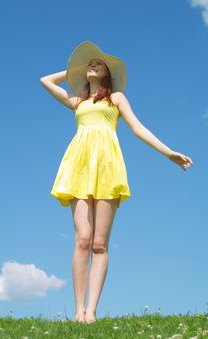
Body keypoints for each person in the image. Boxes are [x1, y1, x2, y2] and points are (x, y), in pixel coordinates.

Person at [40, 42, 193, 324]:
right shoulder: (78, 101)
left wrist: (168, 152)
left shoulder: (117, 98)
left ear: (108, 73)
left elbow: (138, 128)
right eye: (89, 63)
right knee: (82, 239)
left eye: (98, 63)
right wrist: (75, 69)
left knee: (99, 243)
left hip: (108, 167)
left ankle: (92, 311)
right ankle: (78, 311)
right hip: (79, 166)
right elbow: (45, 81)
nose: (92, 65)